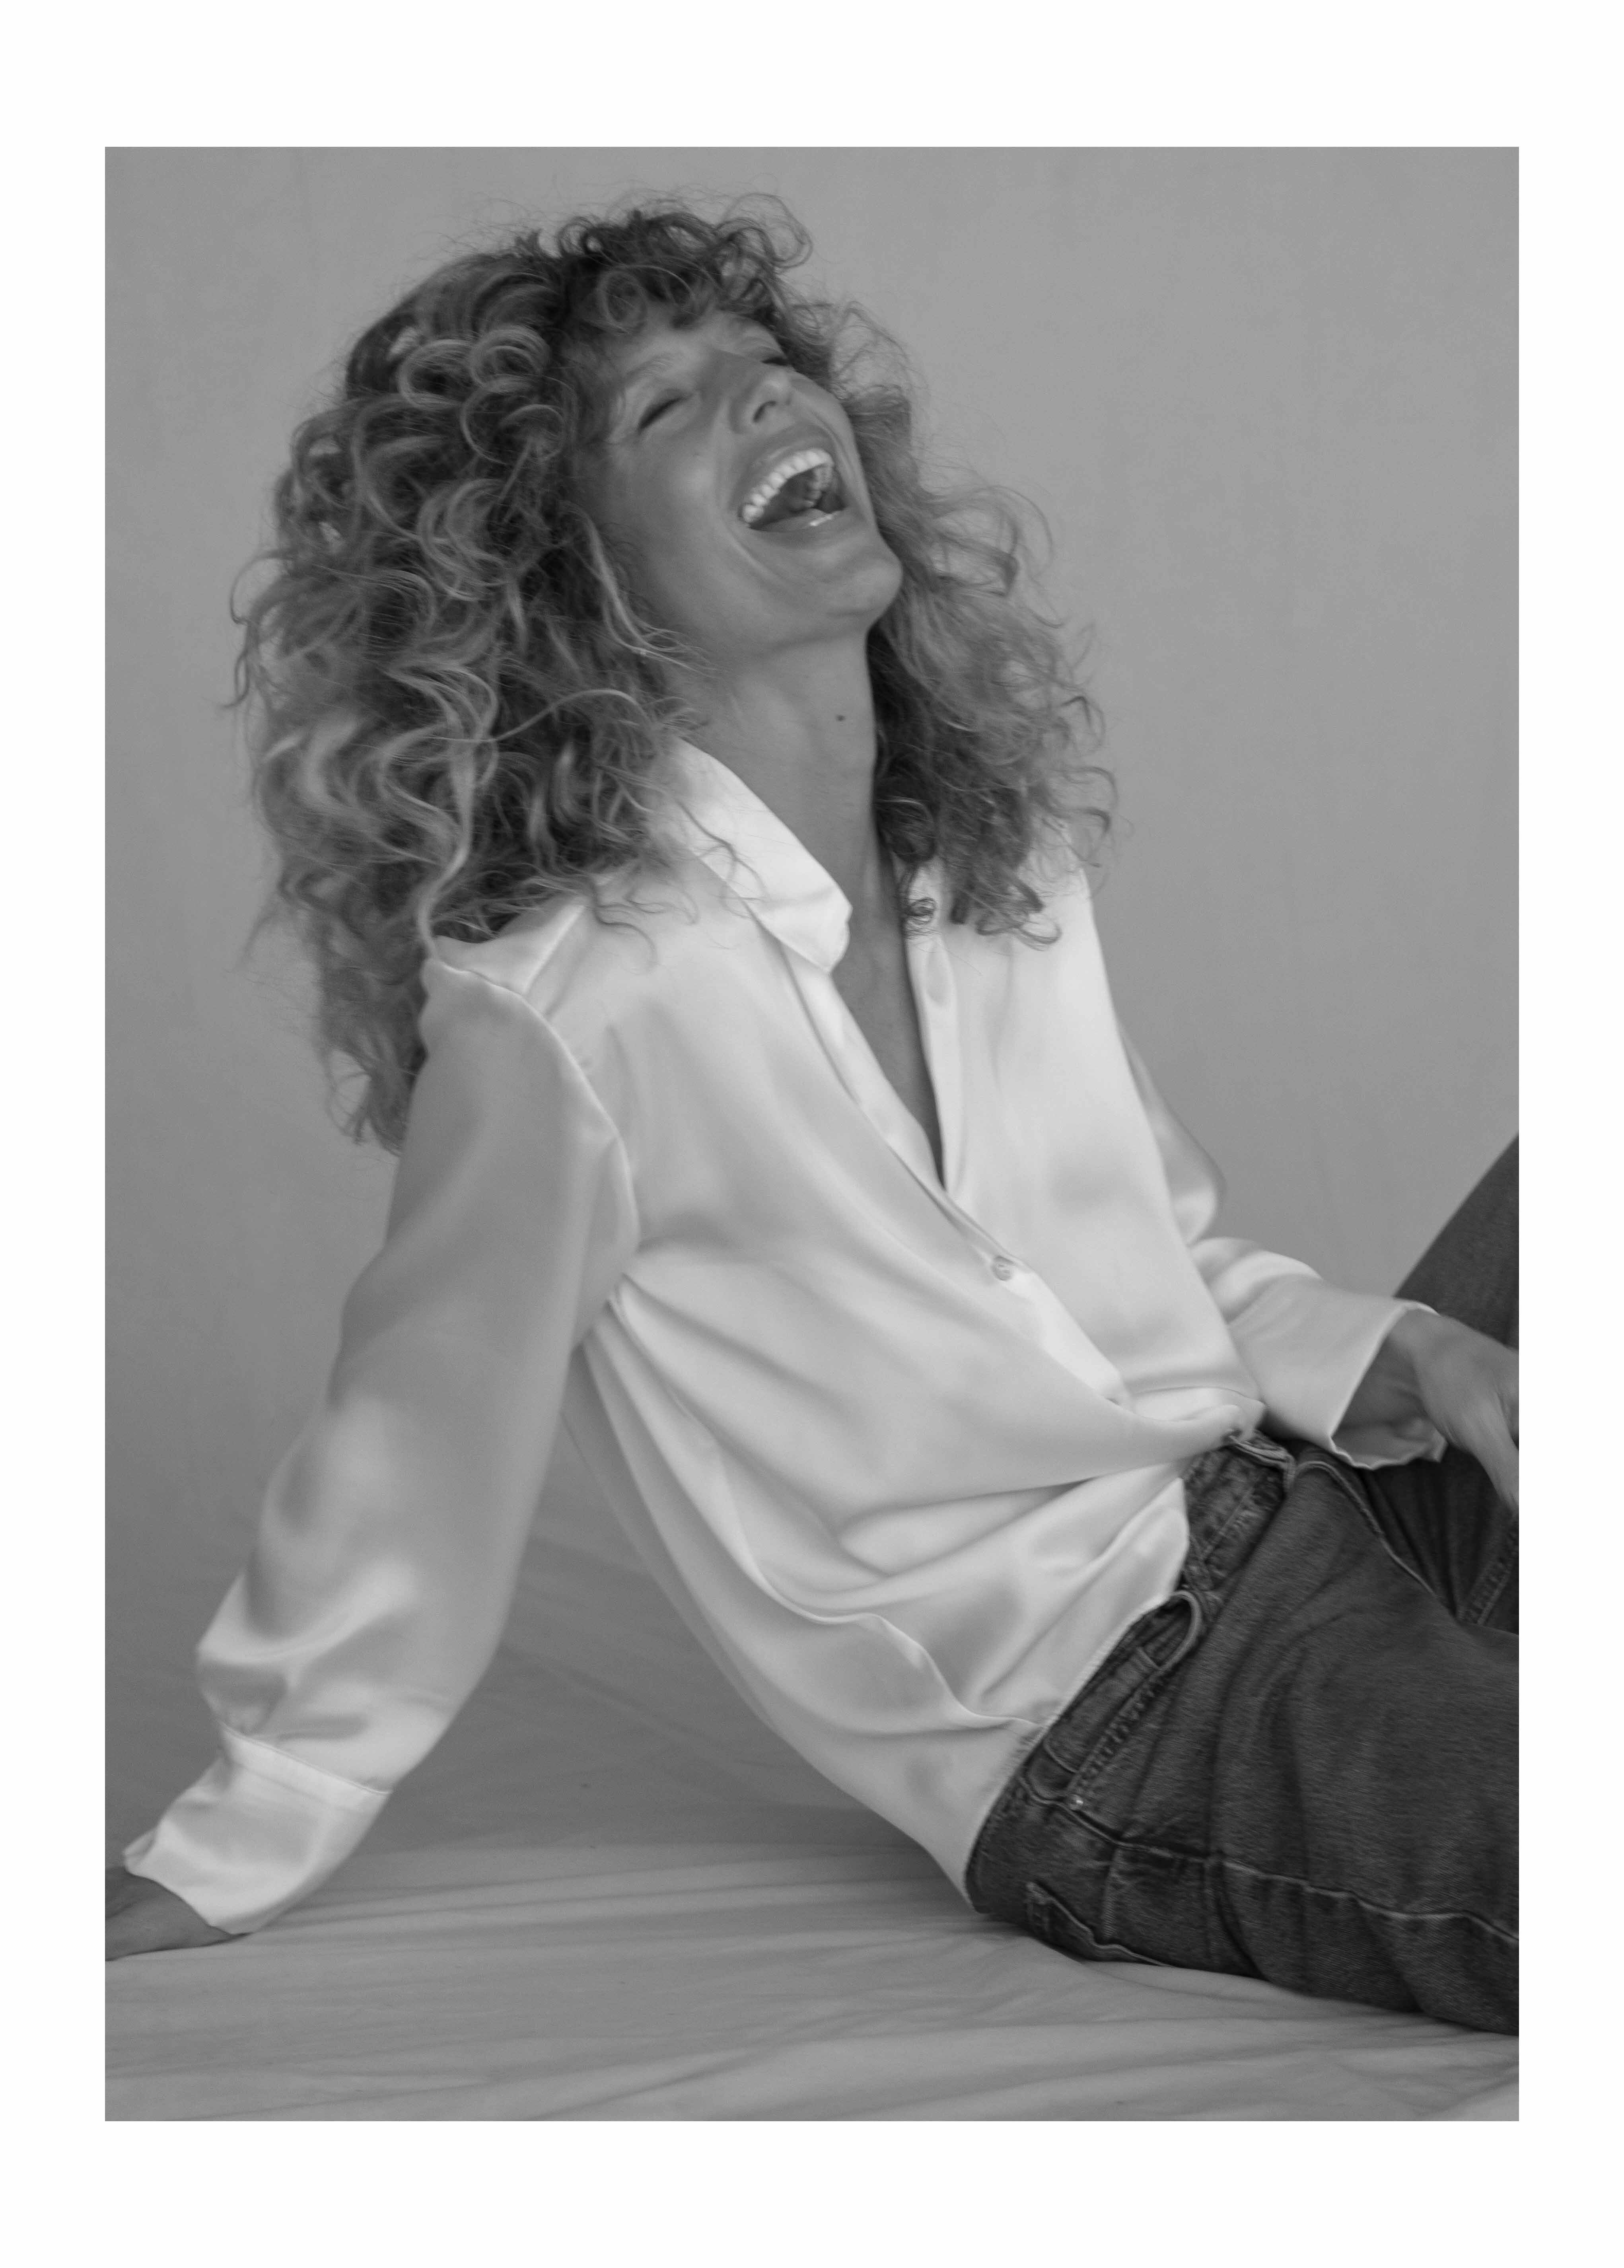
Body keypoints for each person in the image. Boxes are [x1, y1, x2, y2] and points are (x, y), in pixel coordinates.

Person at [106, 203, 1517, 2034]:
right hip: (1130, 1712)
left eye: (766, 362)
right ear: (567, 576)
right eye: (664, 405)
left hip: (1318, 1498)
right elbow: (419, 1444)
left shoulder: (992, 862)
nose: (766, 396)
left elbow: (1158, 1271)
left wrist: (1407, 1354)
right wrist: (243, 1831)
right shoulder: (576, 1010)